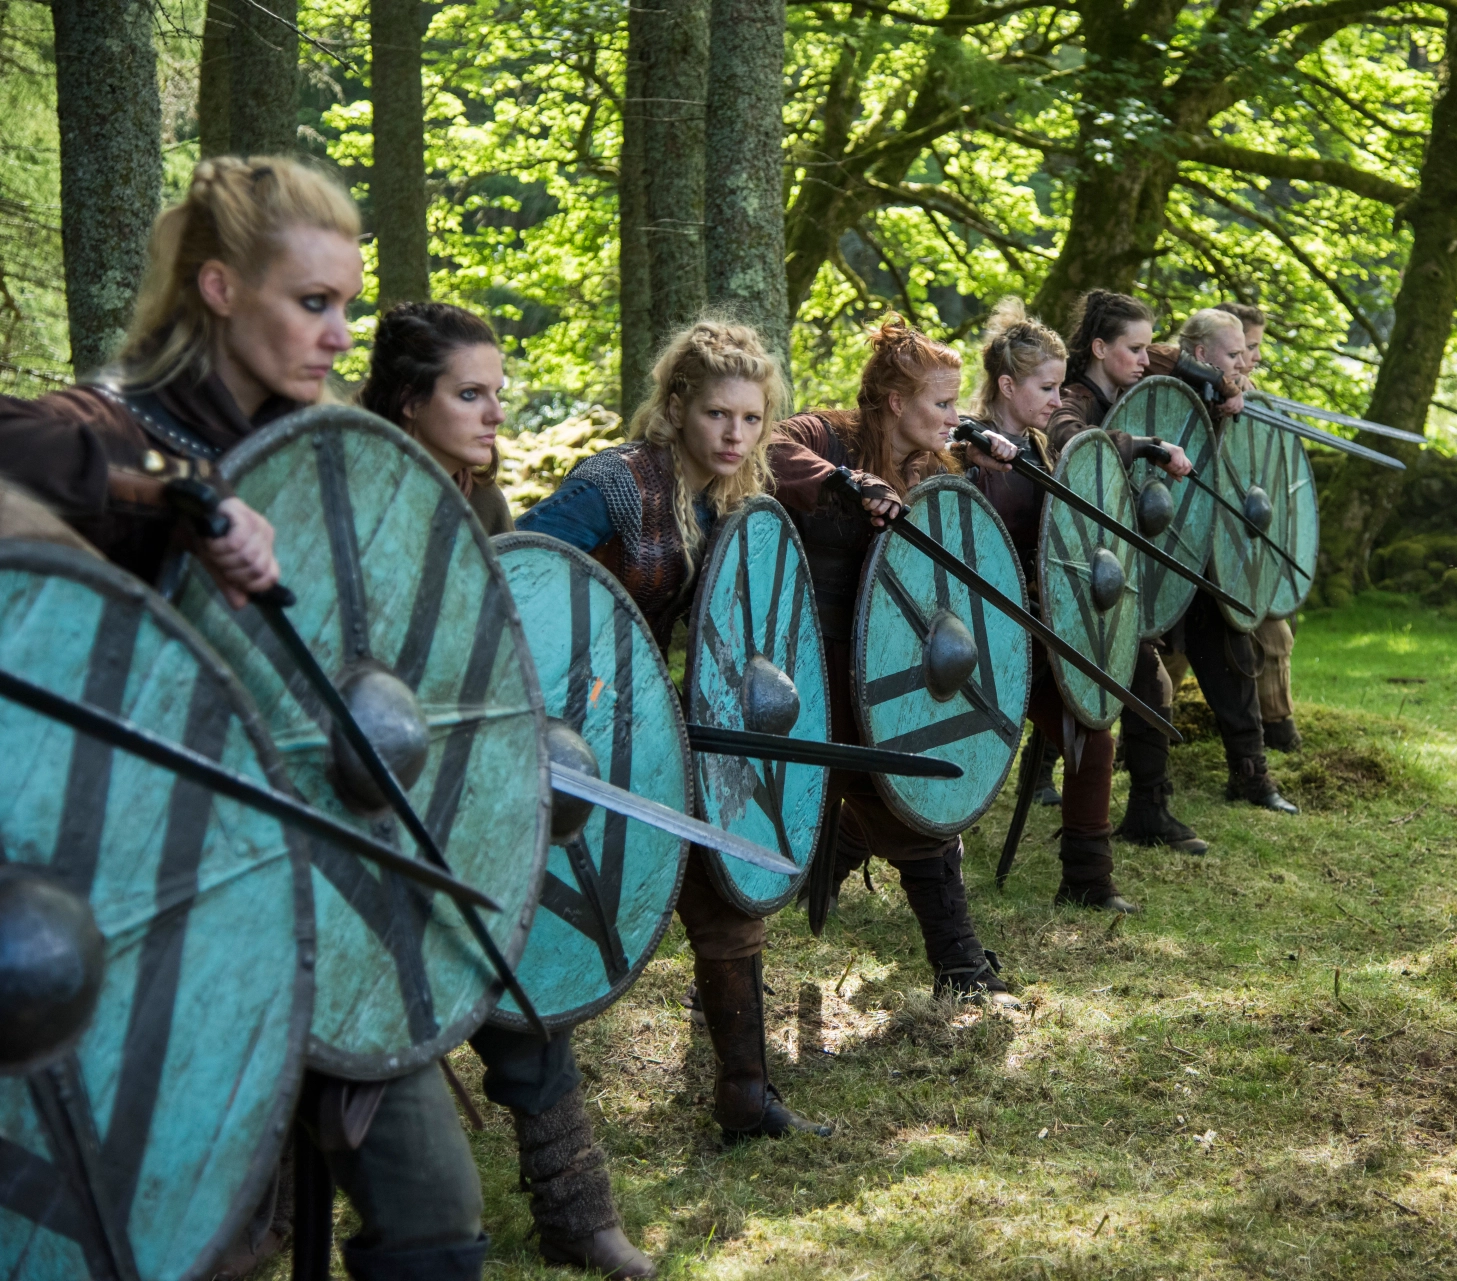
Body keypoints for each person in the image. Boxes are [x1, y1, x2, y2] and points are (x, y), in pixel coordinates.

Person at [0, 157, 492, 1281]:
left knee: (436, 1217)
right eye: (311, 302)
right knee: (197, 1241)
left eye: (346, 306)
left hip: (336, 888)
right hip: (158, 912)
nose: (337, 335)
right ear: (220, 289)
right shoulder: (110, 426)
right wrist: (173, 491)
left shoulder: (327, 454)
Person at [360, 302, 666, 1279]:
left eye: (498, 392)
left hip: (464, 788)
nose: (495, 413)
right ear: (408, 403)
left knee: (522, 976)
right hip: (361, 802)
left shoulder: (484, 503)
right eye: (470, 394)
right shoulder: (359, 497)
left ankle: (576, 1211)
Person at [517, 321, 836, 1163]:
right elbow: (515, 568)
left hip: (648, 721)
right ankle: (545, 1138)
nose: (735, 434)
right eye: (717, 414)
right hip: (563, 728)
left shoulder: (721, 497)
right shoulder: (615, 485)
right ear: (676, 407)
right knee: (543, 915)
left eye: (752, 418)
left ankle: (746, 1096)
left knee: (722, 886)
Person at [770, 317, 1032, 1006]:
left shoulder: (931, 468)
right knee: (787, 813)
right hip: (806, 666)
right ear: (894, 402)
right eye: (941, 402)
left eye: (954, 403)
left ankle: (959, 967)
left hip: (888, 671)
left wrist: (982, 456)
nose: (953, 414)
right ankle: (725, 974)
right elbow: (764, 448)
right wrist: (844, 481)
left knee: (916, 808)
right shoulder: (825, 434)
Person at [959, 298, 1136, 913]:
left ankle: (1088, 879)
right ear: (1008, 386)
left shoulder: (1040, 448)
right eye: (1046, 387)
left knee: (1093, 732)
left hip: (1032, 630)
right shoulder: (959, 446)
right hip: (972, 634)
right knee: (934, 750)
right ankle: (844, 854)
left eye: (1062, 386)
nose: (1059, 399)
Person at [1138, 308, 1296, 817]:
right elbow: (1158, 355)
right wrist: (1217, 382)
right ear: (1202, 352)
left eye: (1245, 352)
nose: (1245, 362)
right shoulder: (1153, 374)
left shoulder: (1227, 393)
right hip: (1151, 552)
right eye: (1234, 354)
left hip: (1206, 554)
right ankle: (1055, 772)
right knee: (1129, 665)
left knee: (1234, 658)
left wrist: (1228, 392)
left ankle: (1250, 774)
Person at [1216, 300, 1301, 754]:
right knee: (1171, 652)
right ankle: (1147, 740)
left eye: (1254, 348)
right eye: (1246, 348)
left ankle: (1278, 727)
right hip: (1202, 546)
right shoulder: (1193, 392)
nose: (1255, 358)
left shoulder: (1251, 395)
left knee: (1275, 634)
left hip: (1244, 541)